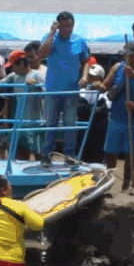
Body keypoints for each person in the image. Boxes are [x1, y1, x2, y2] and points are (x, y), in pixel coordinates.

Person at [39, 11, 91, 165]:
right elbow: (42, 54)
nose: (68, 29)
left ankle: (69, 156)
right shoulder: (50, 38)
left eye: (70, 25)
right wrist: (51, 33)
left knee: (70, 123)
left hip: (71, 90)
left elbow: (86, 61)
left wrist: (85, 76)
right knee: (51, 123)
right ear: (58, 25)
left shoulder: (80, 41)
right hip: (53, 89)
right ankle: (46, 156)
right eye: (64, 26)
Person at [102, 42, 134, 191]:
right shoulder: (117, 67)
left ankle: (126, 184)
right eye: (124, 54)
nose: (125, 57)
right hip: (116, 117)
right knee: (110, 151)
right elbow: (106, 84)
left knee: (130, 154)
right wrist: (99, 86)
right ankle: (109, 182)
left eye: (128, 54)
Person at [0, 50, 46, 160]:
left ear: (21, 63)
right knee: (19, 157)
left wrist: (37, 85)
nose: (12, 69)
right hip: (19, 124)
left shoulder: (36, 75)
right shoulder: (13, 76)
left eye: (13, 66)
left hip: (35, 125)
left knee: (40, 157)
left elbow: (47, 95)